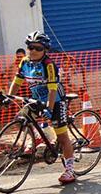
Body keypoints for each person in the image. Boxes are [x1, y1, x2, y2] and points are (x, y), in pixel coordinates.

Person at [7, 31, 76, 185]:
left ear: (45, 50)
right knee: (21, 117)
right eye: (30, 47)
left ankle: (70, 170)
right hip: (37, 100)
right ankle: (33, 139)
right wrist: (9, 97)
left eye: (38, 48)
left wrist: (49, 110)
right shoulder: (24, 62)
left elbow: (52, 90)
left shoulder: (49, 64)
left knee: (62, 136)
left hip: (55, 100)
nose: (33, 51)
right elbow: (17, 82)